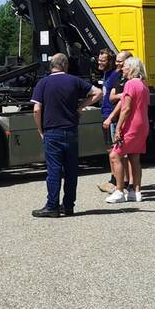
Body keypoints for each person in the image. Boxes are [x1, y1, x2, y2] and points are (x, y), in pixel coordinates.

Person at [30, 53, 102, 217]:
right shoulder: (74, 81)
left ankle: (52, 206)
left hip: (52, 131)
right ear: (66, 65)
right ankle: (68, 206)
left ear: (51, 66)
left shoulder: (43, 83)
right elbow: (98, 92)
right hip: (70, 130)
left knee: (54, 170)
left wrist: (40, 130)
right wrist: (81, 106)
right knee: (71, 170)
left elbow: (36, 109)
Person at [105, 56, 151, 204]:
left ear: (130, 68)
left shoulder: (130, 84)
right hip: (143, 125)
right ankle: (136, 191)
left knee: (115, 155)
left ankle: (119, 190)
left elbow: (126, 108)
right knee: (134, 157)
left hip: (131, 125)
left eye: (124, 66)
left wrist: (118, 127)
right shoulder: (144, 85)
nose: (121, 69)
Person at [99, 50, 131, 194]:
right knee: (109, 150)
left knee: (116, 152)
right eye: (99, 60)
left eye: (103, 60)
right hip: (105, 113)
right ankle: (114, 179)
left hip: (111, 115)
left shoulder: (116, 75)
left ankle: (122, 182)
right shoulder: (106, 74)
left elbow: (118, 98)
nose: (100, 62)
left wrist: (111, 117)